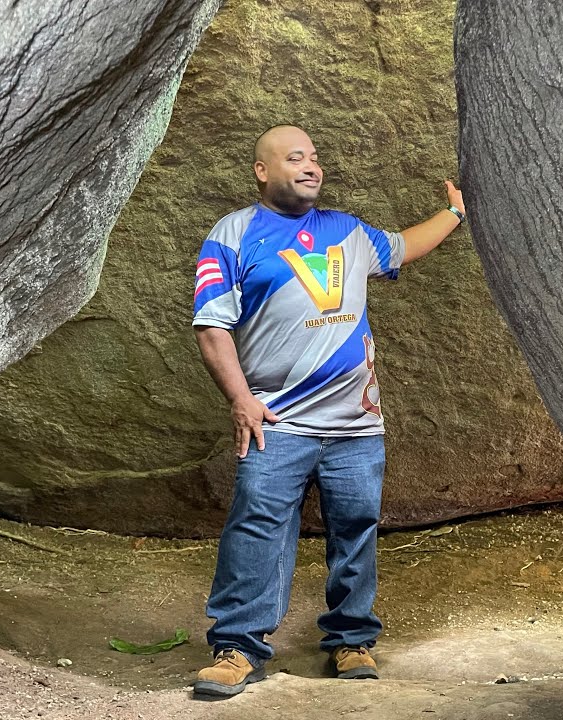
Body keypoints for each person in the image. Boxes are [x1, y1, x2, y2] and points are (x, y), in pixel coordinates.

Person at [189, 125, 465, 697]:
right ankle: (237, 649)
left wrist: (454, 214)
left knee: (355, 531)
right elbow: (212, 324)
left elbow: (403, 246)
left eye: (314, 157)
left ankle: (350, 641)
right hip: (277, 421)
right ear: (262, 171)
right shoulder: (233, 234)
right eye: (295, 158)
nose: (311, 166)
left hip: (356, 425)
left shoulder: (347, 230)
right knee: (257, 529)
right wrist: (242, 402)